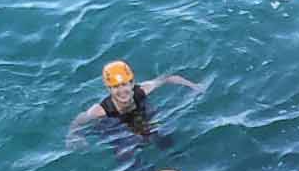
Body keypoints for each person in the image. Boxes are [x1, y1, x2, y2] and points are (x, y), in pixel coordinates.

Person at [68, 60, 202, 143]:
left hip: (138, 115)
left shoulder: (142, 90)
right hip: (114, 125)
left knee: (163, 138)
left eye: (125, 84)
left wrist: (193, 86)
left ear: (132, 83)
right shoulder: (101, 109)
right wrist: (74, 135)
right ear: (109, 89)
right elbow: (79, 119)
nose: (121, 91)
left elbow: (168, 78)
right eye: (115, 87)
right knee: (126, 154)